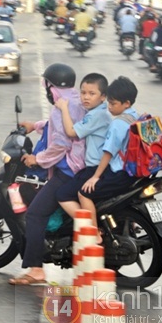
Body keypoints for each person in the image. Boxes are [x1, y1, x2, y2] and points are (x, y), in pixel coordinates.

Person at [8, 63, 86, 286]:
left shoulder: (61, 107)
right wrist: (36, 125)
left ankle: (36, 270)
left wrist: (37, 159)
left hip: (68, 171)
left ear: (51, 87)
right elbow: (57, 126)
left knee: (35, 214)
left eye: (47, 86)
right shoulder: (76, 100)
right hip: (80, 167)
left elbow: (60, 143)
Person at [76, 76, 140, 243]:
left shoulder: (118, 123)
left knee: (84, 193)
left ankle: (94, 234)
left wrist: (95, 177)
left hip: (119, 173)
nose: (109, 107)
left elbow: (108, 152)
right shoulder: (136, 116)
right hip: (135, 173)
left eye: (113, 104)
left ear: (126, 103)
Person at [55, 74, 111, 228]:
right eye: (83, 92)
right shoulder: (101, 112)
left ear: (103, 97)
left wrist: (64, 108)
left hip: (95, 168)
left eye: (92, 94)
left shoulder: (96, 115)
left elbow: (71, 132)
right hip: (99, 166)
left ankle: (90, 230)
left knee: (63, 194)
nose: (86, 97)